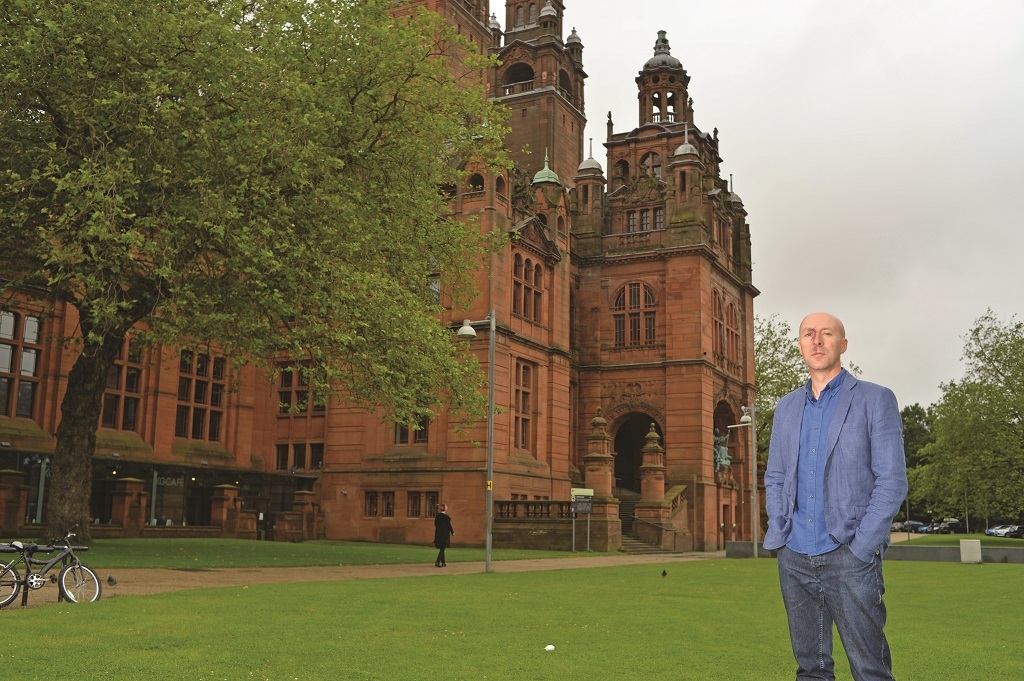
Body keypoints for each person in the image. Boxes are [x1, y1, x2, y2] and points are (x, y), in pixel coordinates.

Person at [763, 312, 908, 681]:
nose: (817, 340)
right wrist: (779, 531)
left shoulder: (876, 400)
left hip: (850, 556)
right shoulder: (785, 408)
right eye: (808, 334)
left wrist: (862, 547)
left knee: (870, 670)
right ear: (800, 345)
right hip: (794, 555)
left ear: (842, 345)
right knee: (811, 670)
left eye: (826, 333)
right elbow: (776, 476)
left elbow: (891, 481)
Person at [433, 503, 454, 568]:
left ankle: (443, 562)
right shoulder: (446, 517)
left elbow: (435, 524)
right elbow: (449, 525)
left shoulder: (437, 516)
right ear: (445, 509)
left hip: (438, 534)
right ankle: (437, 561)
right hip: (444, 535)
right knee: (442, 549)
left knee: (442, 548)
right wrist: (452, 532)